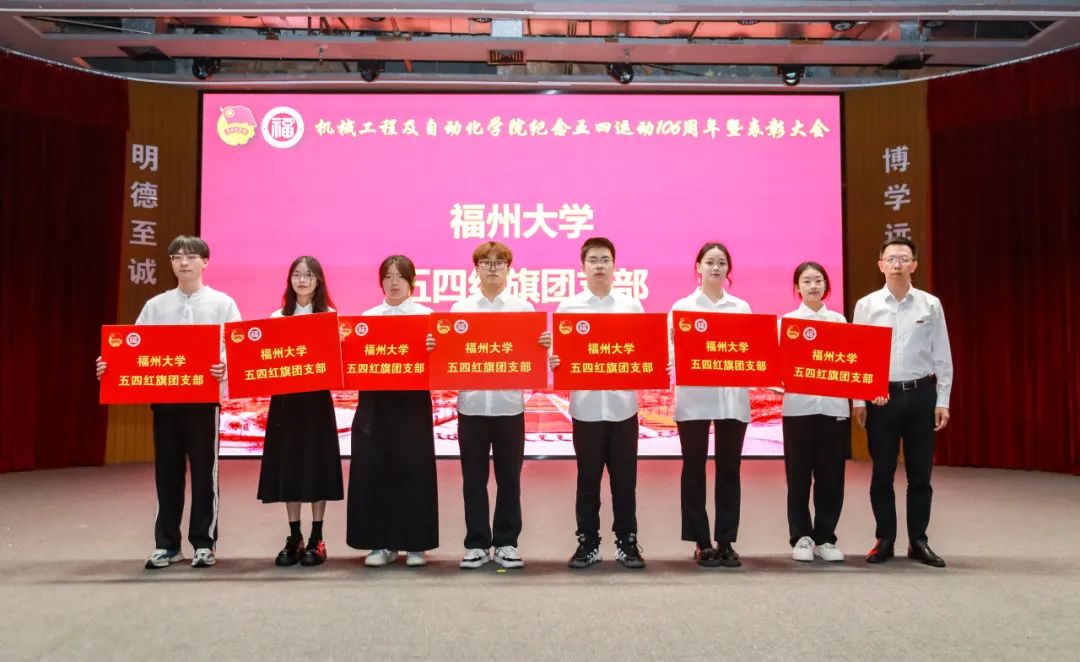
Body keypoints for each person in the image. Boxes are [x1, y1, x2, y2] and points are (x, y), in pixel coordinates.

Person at [96, 235, 241, 570]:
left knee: (205, 475)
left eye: (190, 256)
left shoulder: (222, 304)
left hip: (204, 403)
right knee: (167, 474)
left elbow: (235, 347)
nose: (183, 263)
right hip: (166, 401)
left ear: (205, 261)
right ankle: (167, 545)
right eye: (177, 257)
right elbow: (133, 350)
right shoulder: (156, 306)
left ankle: (204, 544)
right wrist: (110, 366)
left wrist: (224, 365)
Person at [450, 241, 551, 570]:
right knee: (473, 479)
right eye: (486, 262)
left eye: (499, 263)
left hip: (509, 407)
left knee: (510, 479)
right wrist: (438, 345)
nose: (492, 268)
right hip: (472, 406)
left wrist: (542, 345)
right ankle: (477, 543)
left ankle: (507, 542)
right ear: (476, 268)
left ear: (509, 269)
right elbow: (451, 356)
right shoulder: (460, 308)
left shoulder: (523, 309)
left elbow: (533, 358)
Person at [853, 237, 953, 567]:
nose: (897, 264)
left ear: (914, 265)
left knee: (920, 475)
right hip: (881, 398)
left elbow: (942, 355)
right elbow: (858, 355)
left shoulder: (930, 305)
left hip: (921, 395)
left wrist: (942, 399)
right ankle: (884, 539)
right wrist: (860, 400)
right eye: (891, 258)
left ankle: (918, 541)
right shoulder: (867, 306)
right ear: (880, 265)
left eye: (904, 258)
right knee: (881, 473)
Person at [550, 237, 646, 569]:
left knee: (625, 481)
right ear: (583, 267)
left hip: (623, 408)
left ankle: (627, 542)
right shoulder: (568, 308)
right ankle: (588, 542)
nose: (599, 265)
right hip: (586, 408)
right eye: (593, 260)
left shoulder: (631, 307)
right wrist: (554, 361)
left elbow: (643, 351)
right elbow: (560, 355)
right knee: (588, 480)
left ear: (615, 265)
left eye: (605, 259)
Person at [346, 255, 439, 568]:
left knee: (414, 468)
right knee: (377, 469)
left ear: (412, 281)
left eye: (400, 276)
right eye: (388, 276)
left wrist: (434, 348)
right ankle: (381, 542)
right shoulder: (368, 318)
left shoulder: (427, 317)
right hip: (376, 403)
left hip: (412, 402)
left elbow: (441, 363)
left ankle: (416, 543)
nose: (394, 282)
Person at [257, 256, 344, 567]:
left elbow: (340, 364)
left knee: (317, 466)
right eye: (296, 275)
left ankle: (317, 537)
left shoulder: (330, 318)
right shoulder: (278, 317)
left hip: (317, 401)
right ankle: (294, 536)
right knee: (289, 466)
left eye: (308, 275)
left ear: (318, 281)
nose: (302, 280)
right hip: (286, 402)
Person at [669, 242, 751, 568]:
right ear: (698, 267)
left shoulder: (741, 308)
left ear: (728, 269)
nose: (715, 268)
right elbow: (673, 353)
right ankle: (701, 542)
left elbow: (750, 350)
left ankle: (726, 541)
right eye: (709, 262)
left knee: (729, 470)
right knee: (694, 469)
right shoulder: (682, 307)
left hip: (732, 399)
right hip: (694, 399)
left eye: (721, 263)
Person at [780, 262, 849, 563]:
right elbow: (776, 365)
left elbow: (850, 362)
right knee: (798, 476)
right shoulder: (787, 323)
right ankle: (801, 537)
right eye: (806, 281)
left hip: (833, 408)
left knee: (831, 476)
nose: (813, 286)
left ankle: (825, 537)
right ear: (797, 287)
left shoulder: (838, 321)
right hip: (798, 409)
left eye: (818, 280)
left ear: (826, 286)